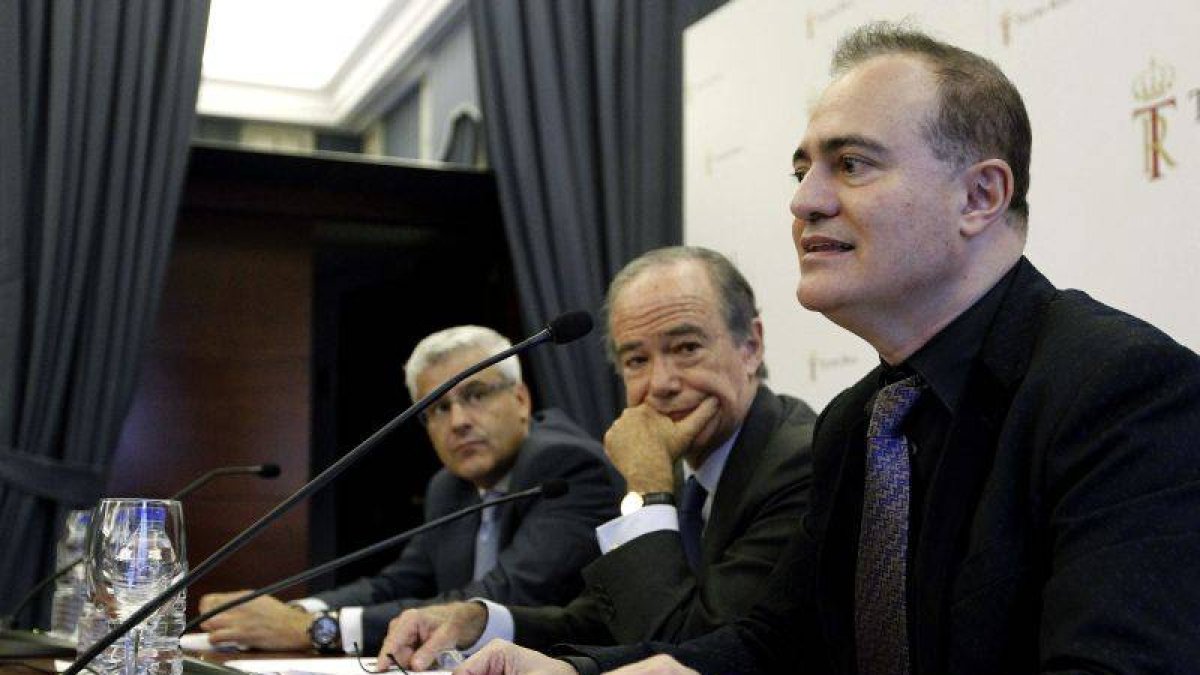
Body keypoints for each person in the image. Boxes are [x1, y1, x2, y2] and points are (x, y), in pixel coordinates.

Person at [452, 22, 1200, 675]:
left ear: (980, 197)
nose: (805, 199)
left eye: (851, 164)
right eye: (803, 168)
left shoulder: (1120, 388)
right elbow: (774, 646)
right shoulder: (860, 419)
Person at [375, 247, 816, 671]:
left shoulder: (797, 463)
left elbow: (684, 650)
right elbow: (603, 620)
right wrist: (478, 621)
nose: (660, 383)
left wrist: (648, 489)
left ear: (751, 346)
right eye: (637, 360)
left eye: (686, 348)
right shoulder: (685, 469)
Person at [197, 326, 624, 655]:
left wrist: (319, 630)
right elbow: (397, 583)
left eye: (475, 395)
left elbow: (500, 596)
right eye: (438, 407)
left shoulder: (567, 467)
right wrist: (293, 612)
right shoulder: (450, 486)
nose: (458, 421)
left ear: (521, 399)